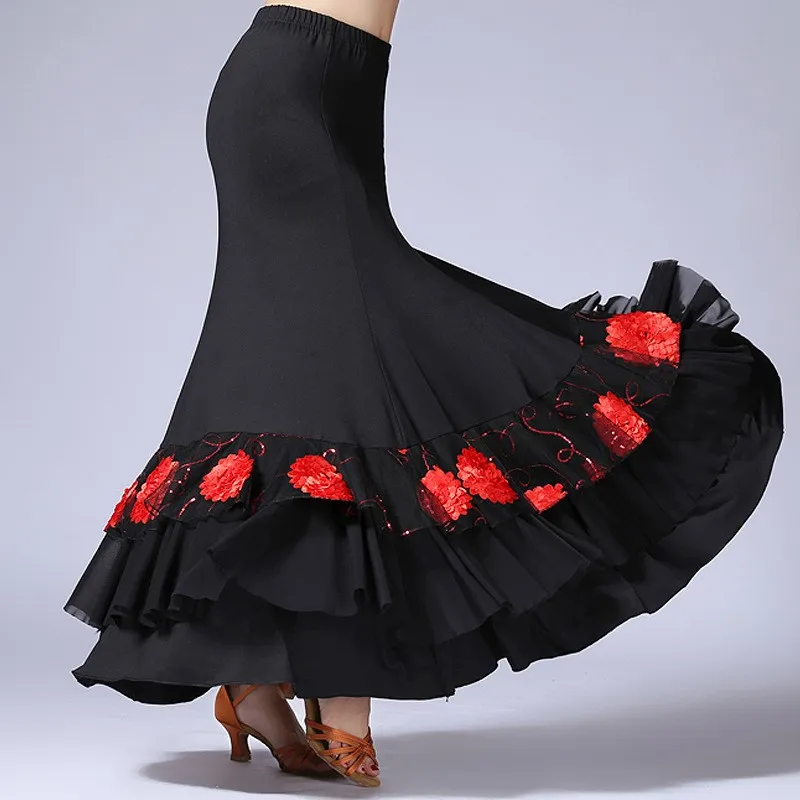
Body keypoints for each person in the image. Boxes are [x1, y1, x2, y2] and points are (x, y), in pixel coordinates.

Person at [63, 0, 784, 789]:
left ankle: (257, 683)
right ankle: (337, 687)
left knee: (296, 356)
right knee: (328, 357)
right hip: (297, 81)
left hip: (321, 79)